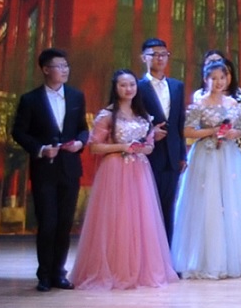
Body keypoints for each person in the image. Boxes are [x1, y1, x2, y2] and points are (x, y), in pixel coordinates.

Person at [68, 69, 175, 291]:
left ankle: (139, 269)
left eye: (132, 85)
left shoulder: (143, 114)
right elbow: (95, 147)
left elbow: (149, 146)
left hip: (140, 170)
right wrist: (123, 147)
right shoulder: (107, 115)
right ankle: (113, 269)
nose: (128, 89)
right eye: (123, 85)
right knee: (116, 219)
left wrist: (143, 147)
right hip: (115, 170)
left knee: (140, 220)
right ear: (115, 88)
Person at [173, 59, 241, 279]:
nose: (218, 82)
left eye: (222, 78)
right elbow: (187, 131)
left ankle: (234, 258)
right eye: (213, 78)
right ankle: (205, 259)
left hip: (229, 155)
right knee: (206, 203)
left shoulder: (233, 103)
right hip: (205, 155)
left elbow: (239, 130)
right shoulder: (199, 103)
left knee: (232, 202)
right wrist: (212, 131)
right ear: (205, 79)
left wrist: (231, 133)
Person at [136, 40, 187, 241]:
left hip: (172, 157)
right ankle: (149, 253)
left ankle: (167, 255)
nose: (160, 58)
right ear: (144, 58)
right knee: (148, 208)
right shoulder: (136, 87)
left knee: (168, 208)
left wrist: (182, 154)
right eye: (154, 54)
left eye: (164, 54)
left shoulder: (177, 86)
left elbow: (180, 122)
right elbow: (129, 121)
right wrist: (149, 133)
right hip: (148, 156)